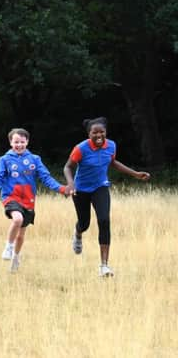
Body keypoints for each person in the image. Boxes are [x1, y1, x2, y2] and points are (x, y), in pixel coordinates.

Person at [63, 117, 150, 277]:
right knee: (84, 223)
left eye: (101, 132)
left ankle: (104, 266)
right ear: (89, 134)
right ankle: (77, 233)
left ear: (106, 132)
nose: (98, 135)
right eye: (94, 132)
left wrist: (135, 174)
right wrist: (70, 184)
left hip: (100, 187)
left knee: (104, 220)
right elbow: (68, 167)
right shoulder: (80, 148)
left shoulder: (111, 145)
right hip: (80, 189)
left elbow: (113, 162)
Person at [0, 128, 71, 273]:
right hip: (11, 197)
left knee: (21, 235)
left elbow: (46, 178)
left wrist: (61, 189)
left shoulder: (35, 159)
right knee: (17, 219)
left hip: (28, 200)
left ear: (27, 142)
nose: (19, 145)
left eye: (22, 142)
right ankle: (8, 247)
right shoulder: (4, 160)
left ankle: (16, 257)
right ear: (10, 142)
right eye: (16, 142)